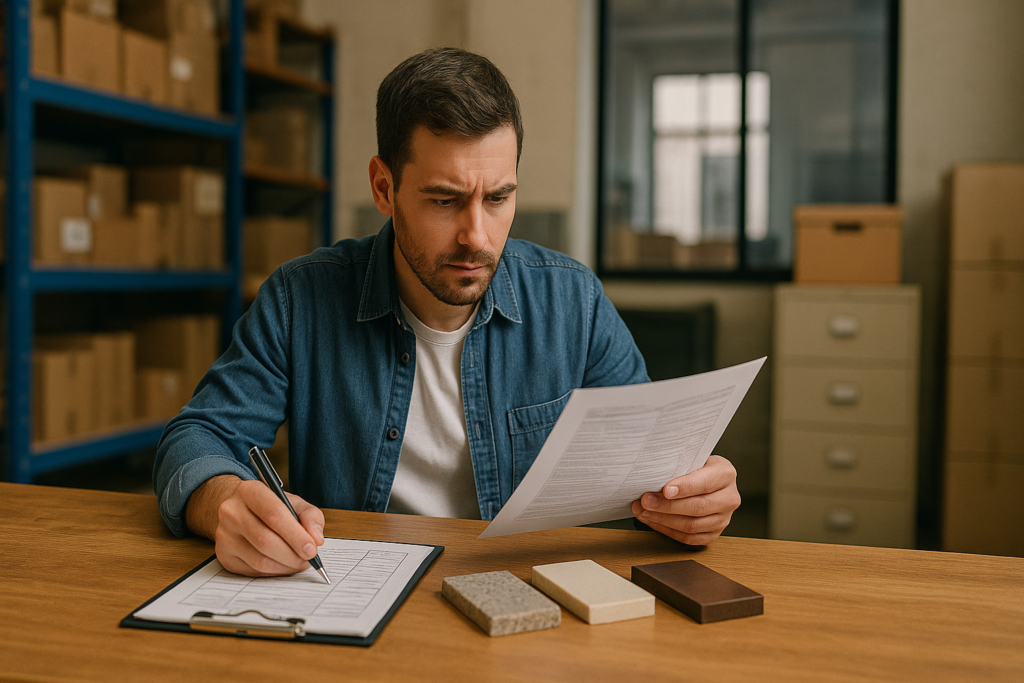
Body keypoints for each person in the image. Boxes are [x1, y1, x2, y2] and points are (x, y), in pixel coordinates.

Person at [154, 47, 741, 578]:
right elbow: (197, 437)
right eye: (445, 200)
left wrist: (691, 503)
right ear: (384, 188)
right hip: (351, 593)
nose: (476, 237)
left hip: (526, 598)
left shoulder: (573, 302)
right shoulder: (299, 299)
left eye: (498, 198)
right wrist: (223, 499)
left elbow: (650, 474)